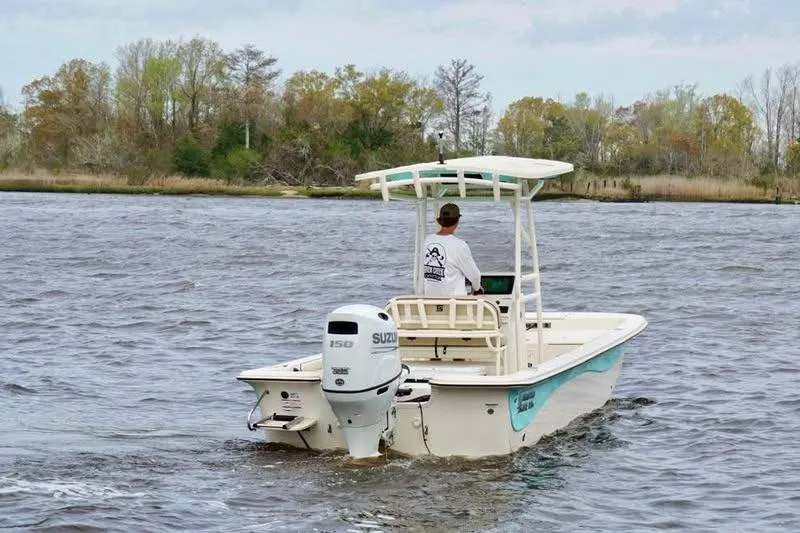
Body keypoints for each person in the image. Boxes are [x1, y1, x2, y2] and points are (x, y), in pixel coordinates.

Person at [422, 203, 482, 296]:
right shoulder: (460, 245)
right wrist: (477, 288)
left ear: (440, 221)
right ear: (457, 222)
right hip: (454, 306)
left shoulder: (427, 240)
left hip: (430, 304)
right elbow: (475, 276)